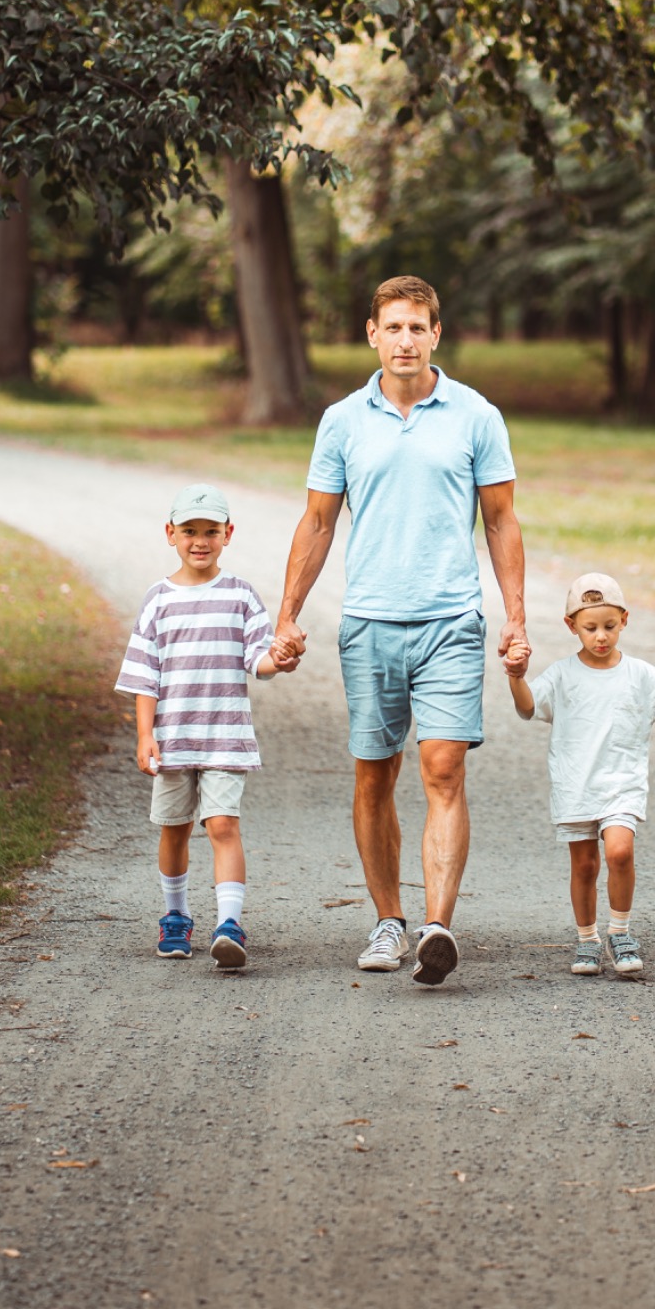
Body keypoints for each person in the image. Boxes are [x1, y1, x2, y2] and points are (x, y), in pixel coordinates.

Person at [271, 275, 527, 987]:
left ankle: (437, 926)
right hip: (370, 622)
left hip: (451, 620)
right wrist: (288, 613)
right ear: (372, 334)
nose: (406, 341)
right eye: (394, 327)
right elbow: (318, 522)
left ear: (436, 334)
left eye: (418, 327)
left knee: (443, 768)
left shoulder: (476, 415)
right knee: (374, 773)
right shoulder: (342, 421)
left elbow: (501, 519)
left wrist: (515, 614)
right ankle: (389, 919)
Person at [504, 572, 655, 979]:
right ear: (571, 626)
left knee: (620, 852)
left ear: (625, 619)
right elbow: (529, 706)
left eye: (609, 625)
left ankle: (619, 933)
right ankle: (587, 939)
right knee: (585, 865)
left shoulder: (639, 674)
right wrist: (516, 676)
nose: (601, 636)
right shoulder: (562, 674)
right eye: (590, 628)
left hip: (622, 785)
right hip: (576, 785)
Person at [116, 483, 283, 969]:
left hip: (225, 737)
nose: (200, 541)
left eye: (211, 531)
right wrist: (145, 735)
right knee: (174, 829)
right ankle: (176, 916)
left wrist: (279, 660)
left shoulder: (240, 595)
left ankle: (229, 925)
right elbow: (144, 676)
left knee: (223, 824)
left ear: (228, 534)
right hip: (173, 739)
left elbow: (258, 657)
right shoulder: (158, 600)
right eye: (190, 531)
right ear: (171, 533)